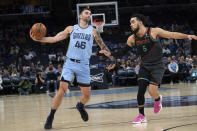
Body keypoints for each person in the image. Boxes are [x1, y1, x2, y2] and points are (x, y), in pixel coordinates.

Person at [100, 14, 197, 124]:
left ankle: (157, 99)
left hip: (157, 66)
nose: (130, 24)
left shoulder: (153, 31)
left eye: (133, 22)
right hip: (145, 66)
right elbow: (122, 52)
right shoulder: (132, 38)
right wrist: (111, 55)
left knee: (152, 91)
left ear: (140, 22)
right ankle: (141, 115)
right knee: (140, 91)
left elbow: (172, 34)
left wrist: (187, 36)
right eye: (130, 23)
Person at [30, 8, 115, 129]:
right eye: (86, 13)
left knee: (87, 96)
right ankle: (50, 117)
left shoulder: (94, 31)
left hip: (84, 65)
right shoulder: (71, 28)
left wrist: (111, 57)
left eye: (90, 14)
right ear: (80, 16)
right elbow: (55, 38)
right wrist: (38, 39)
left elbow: (104, 46)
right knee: (62, 90)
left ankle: (80, 105)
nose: (89, 15)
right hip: (70, 63)